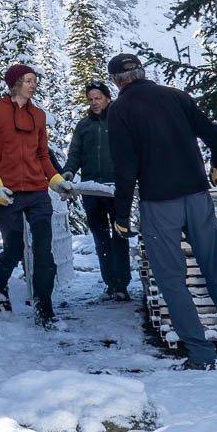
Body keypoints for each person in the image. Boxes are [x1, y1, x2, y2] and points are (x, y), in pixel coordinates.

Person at [105, 52, 217, 368]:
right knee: (216, 269)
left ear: (117, 82)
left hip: (160, 204)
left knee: (172, 280)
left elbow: (125, 168)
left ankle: (201, 354)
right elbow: (216, 136)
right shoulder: (176, 97)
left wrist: (120, 216)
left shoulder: (120, 111)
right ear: (142, 73)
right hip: (198, 196)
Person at [0, 63, 72, 326]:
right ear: (16, 83)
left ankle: (45, 309)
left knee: (44, 250)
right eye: (29, 80)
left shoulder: (38, 116)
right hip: (7, 193)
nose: (33, 85)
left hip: (37, 192)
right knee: (15, 248)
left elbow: (42, 154)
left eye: (34, 81)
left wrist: (54, 179)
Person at [67, 82, 133, 301]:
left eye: (98, 98)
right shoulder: (83, 125)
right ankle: (110, 283)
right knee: (100, 236)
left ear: (108, 99)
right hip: (91, 189)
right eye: (91, 99)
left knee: (120, 235)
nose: (95, 103)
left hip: (117, 189)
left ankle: (122, 283)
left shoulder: (119, 122)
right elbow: (75, 154)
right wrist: (68, 172)